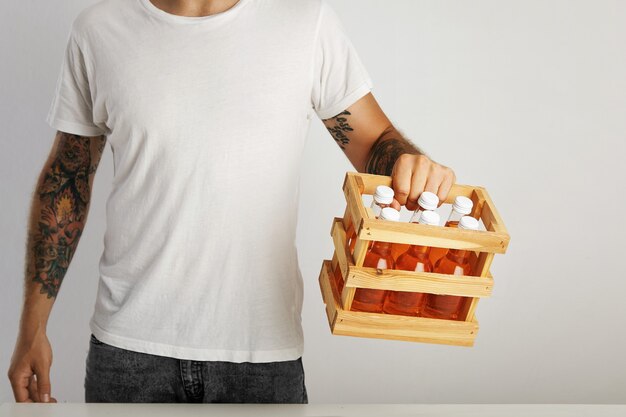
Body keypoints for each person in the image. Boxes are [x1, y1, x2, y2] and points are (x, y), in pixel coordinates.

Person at [8, 0, 456, 404]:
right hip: (129, 353)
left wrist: (408, 163)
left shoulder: (304, 23)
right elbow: (66, 182)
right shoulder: (98, 30)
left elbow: (374, 142)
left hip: (262, 356)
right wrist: (32, 328)